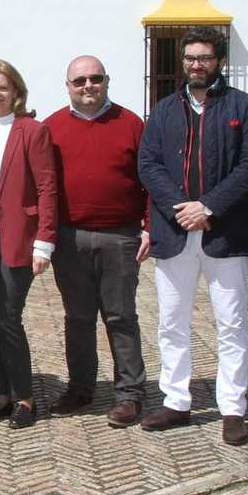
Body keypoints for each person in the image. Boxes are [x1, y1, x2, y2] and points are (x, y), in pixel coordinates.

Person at [136, 27, 248, 446]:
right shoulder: (162, 110)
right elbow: (148, 164)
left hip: (224, 232)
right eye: (190, 58)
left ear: (220, 61)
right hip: (174, 233)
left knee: (231, 323)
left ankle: (233, 407)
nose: (196, 65)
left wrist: (208, 206)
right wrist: (182, 208)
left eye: (204, 58)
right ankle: (176, 400)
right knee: (172, 322)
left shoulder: (244, 107)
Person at [43, 56, 151, 427]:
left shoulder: (131, 123)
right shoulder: (52, 127)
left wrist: (150, 226)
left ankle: (130, 393)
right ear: (68, 85)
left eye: (95, 79)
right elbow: (43, 185)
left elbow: (152, 177)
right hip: (70, 237)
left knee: (121, 317)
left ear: (107, 80)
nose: (88, 86)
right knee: (78, 318)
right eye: (80, 81)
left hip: (120, 235)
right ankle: (81, 388)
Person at [0, 60, 57, 429]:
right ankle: (0, 396)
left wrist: (45, 241)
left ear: (16, 92)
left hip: (18, 238)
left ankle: (25, 398)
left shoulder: (32, 131)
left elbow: (48, 187)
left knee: (8, 319)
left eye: (2, 87)